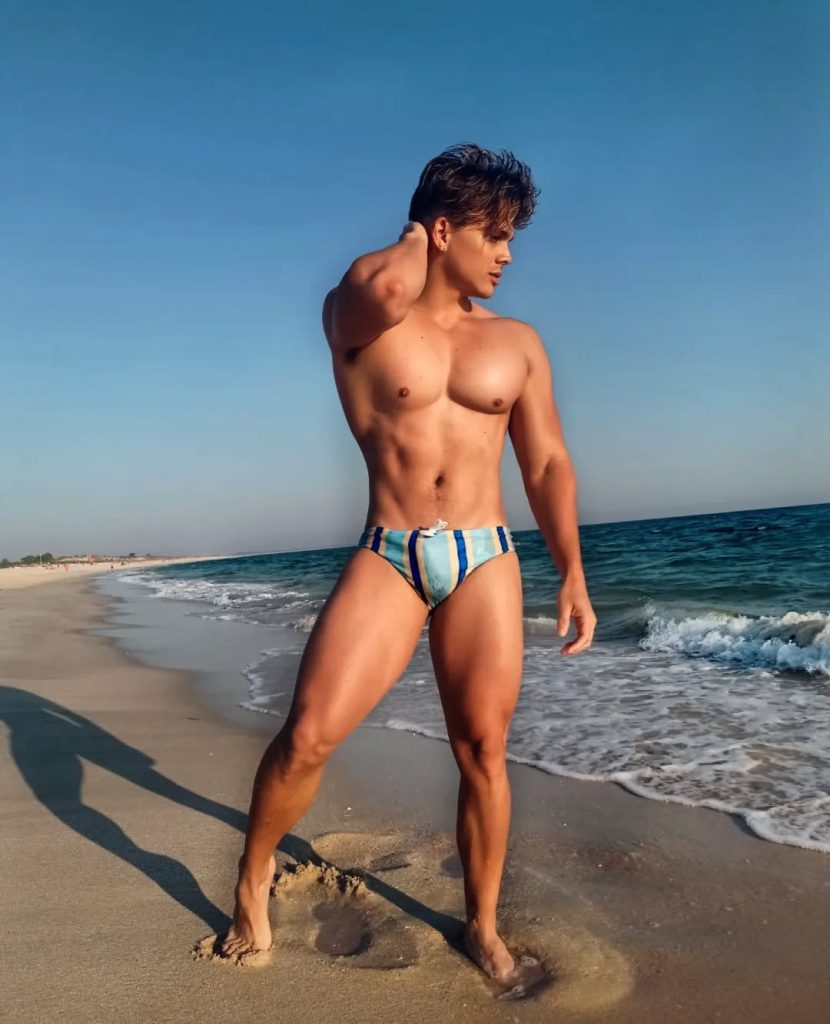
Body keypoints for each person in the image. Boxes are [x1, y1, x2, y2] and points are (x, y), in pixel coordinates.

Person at [220, 143, 597, 984]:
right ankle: (252, 876)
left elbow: (546, 463)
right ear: (442, 231)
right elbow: (387, 289)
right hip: (390, 553)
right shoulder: (360, 320)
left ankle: (483, 926)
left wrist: (571, 569)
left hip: (486, 555)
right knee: (308, 735)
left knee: (484, 752)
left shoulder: (517, 343)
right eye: (495, 234)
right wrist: (413, 238)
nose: (508, 255)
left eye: (512, 237)